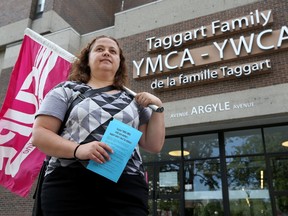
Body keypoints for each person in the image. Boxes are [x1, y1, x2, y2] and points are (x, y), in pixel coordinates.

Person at [31, 35, 165, 216]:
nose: (106, 53)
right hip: (69, 183)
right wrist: (79, 149)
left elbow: (153, 145)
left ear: (119, 61)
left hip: (126, 186)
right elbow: (40, 135)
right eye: (99, 49)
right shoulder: (66, 90)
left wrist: (158, 108)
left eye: (112, 51)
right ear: (87, 59)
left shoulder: (134, 101)